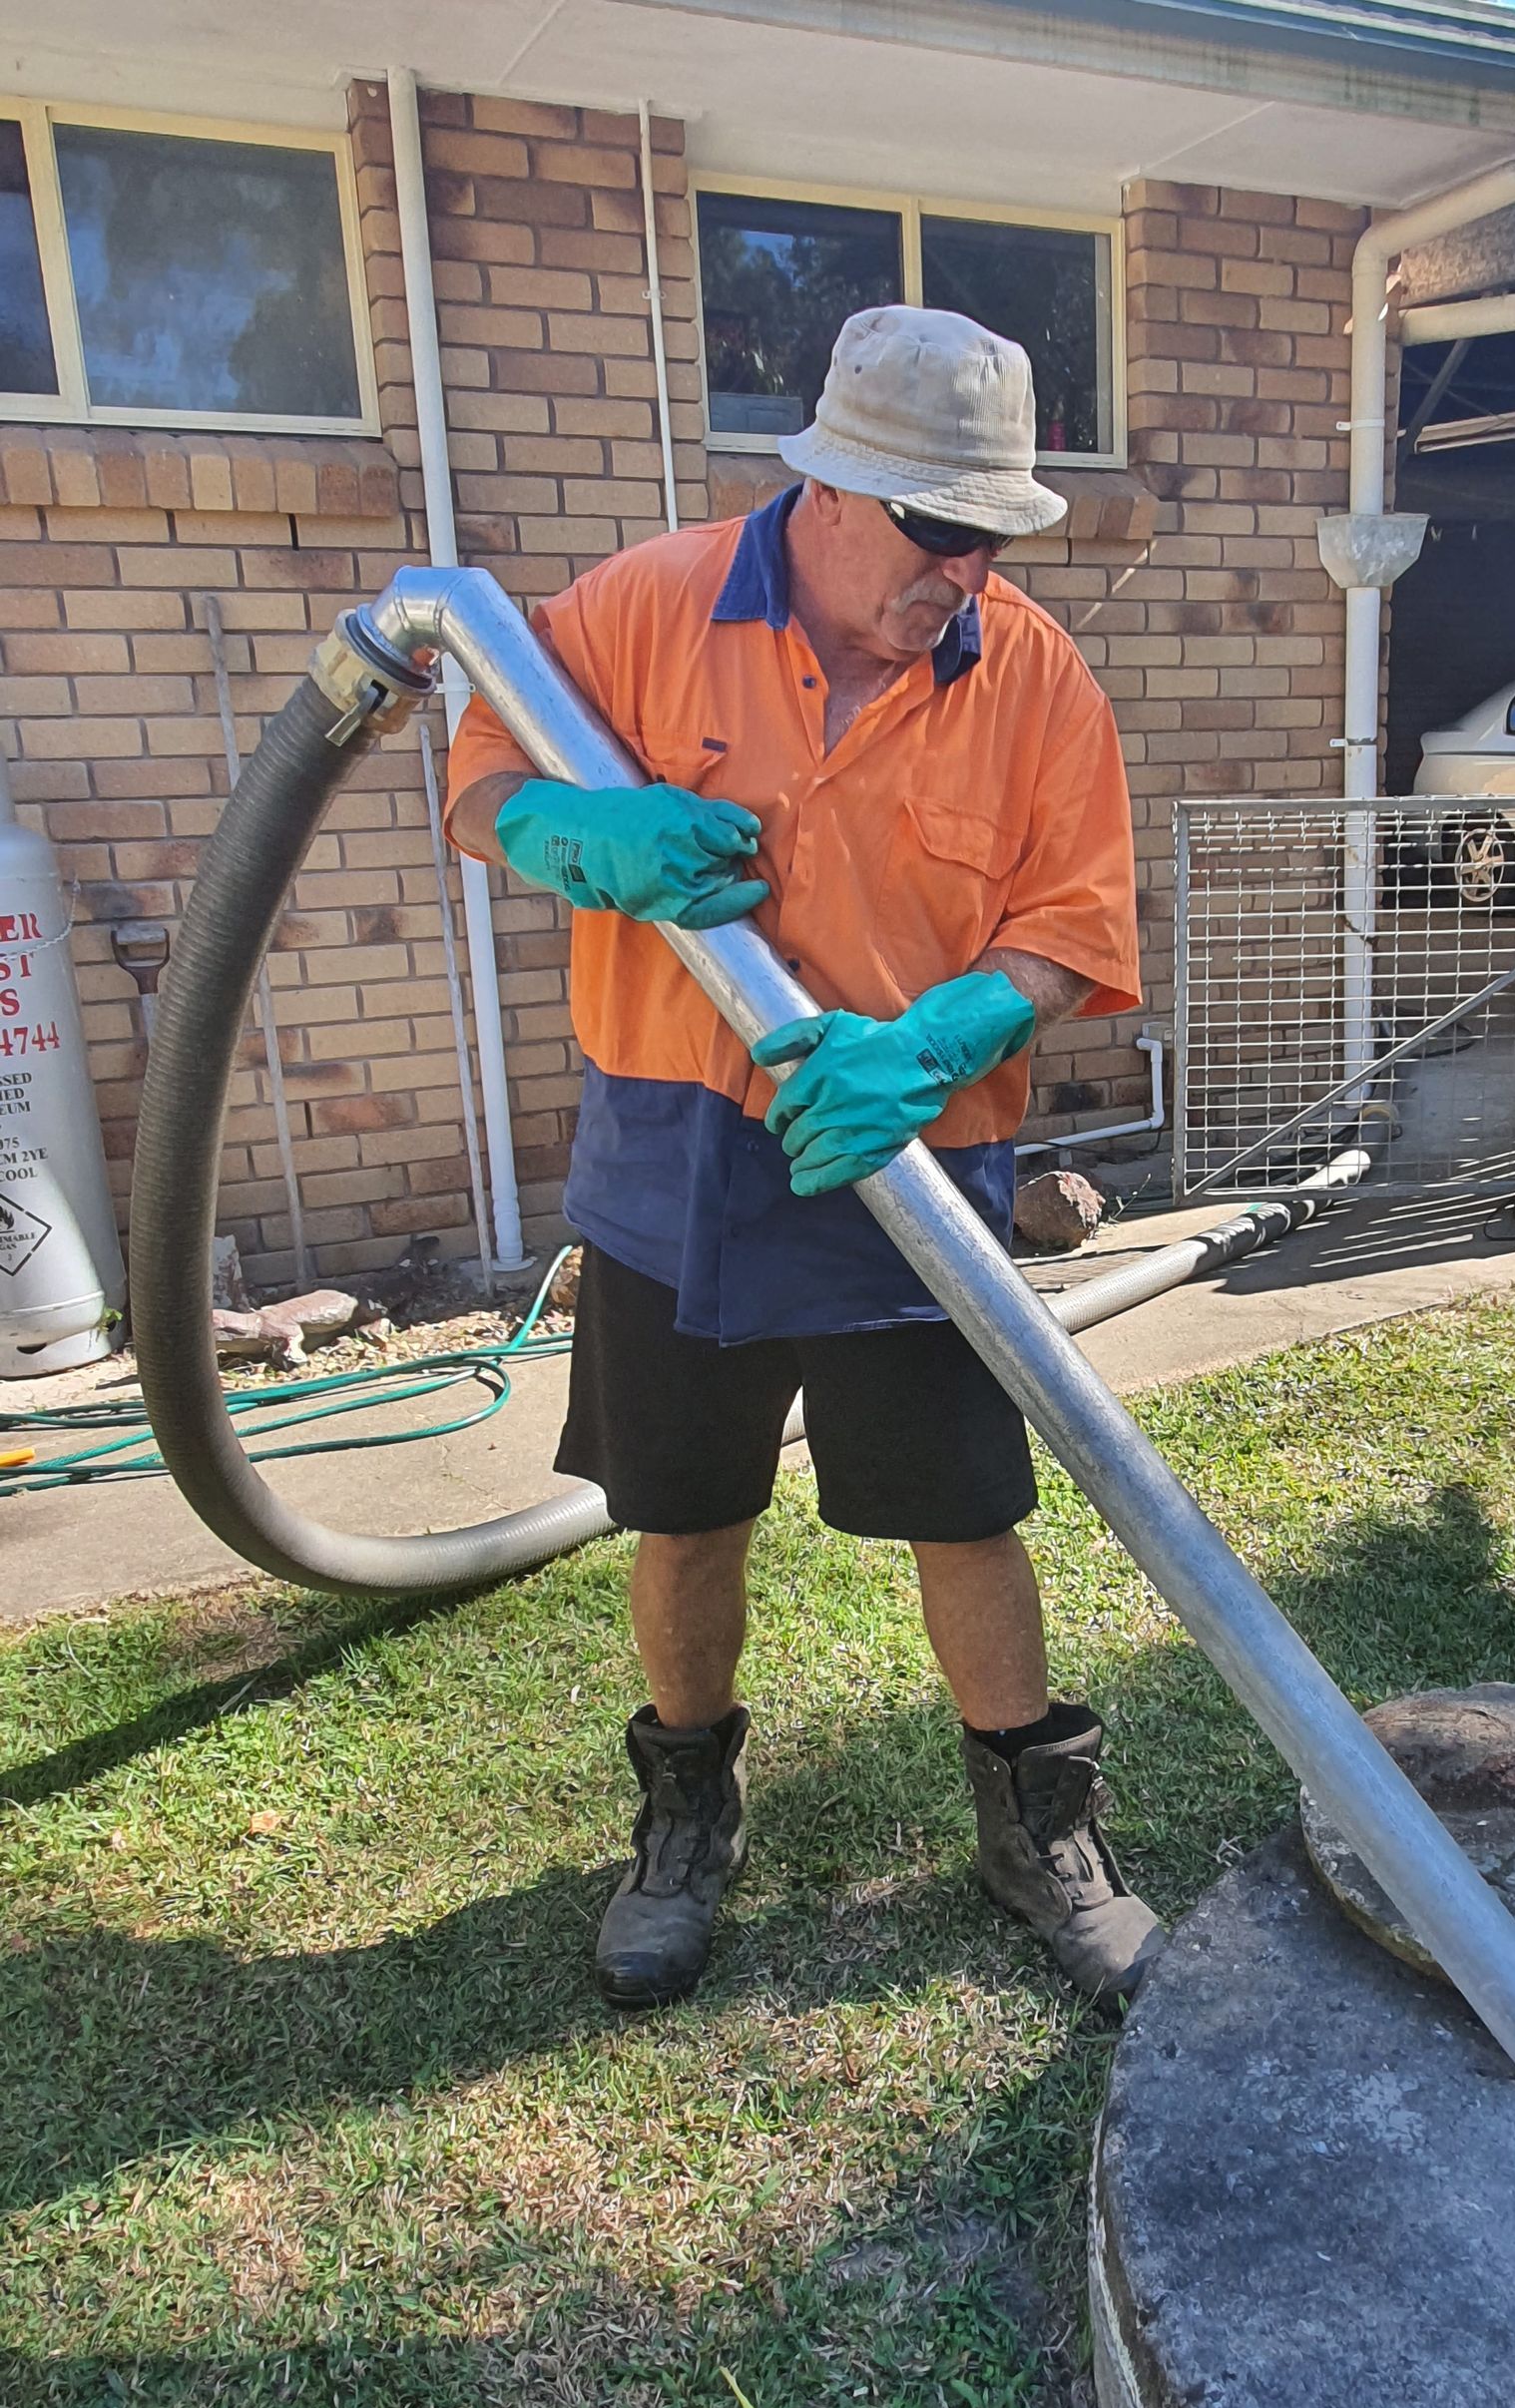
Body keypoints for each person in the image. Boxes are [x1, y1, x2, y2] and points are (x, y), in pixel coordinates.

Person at [448, 305, 1164, 2017]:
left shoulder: (1032, 672)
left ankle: (1033, 1826)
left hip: (912, 1161)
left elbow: (1072, 925)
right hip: (672, 1157)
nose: (964, 572)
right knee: (686, 1515)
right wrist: (562, 826)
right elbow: (481, 768)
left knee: (966, 1513)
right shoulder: (638, 609)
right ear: (832, 490)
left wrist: (936, 1043)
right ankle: (685, 1813)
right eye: (937, 530)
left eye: (990, 538)